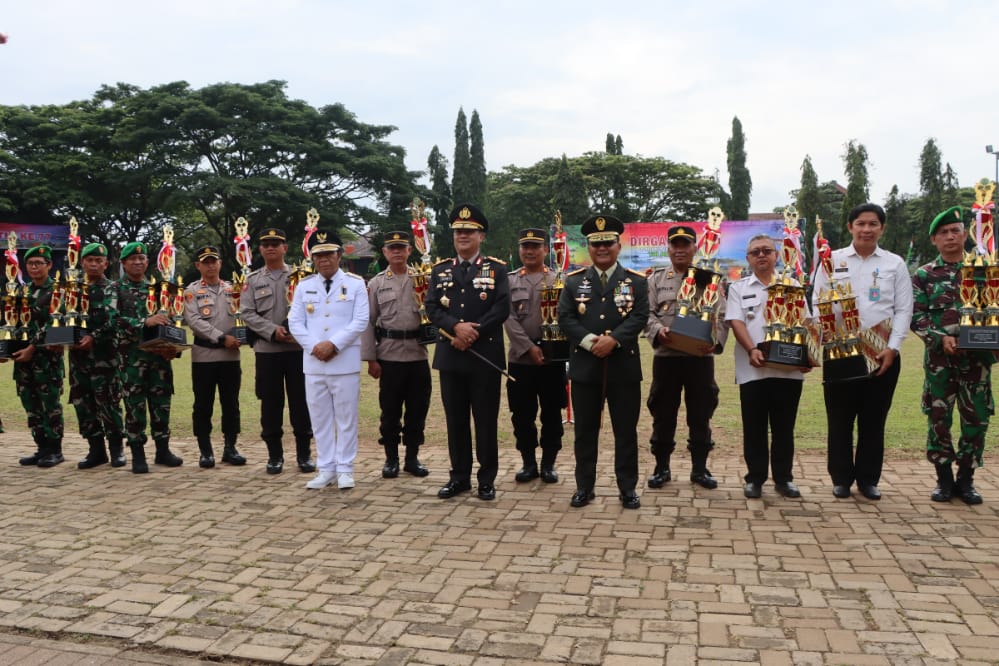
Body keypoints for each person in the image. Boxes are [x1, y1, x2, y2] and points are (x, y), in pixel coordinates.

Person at [810, 203, 913, 500]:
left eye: (873, 224)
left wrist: (892, 348)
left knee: (873, 419)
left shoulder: (895, 264)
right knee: (839, 419)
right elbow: (818, 301)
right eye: (861, 223)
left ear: (882, 228)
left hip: (882, 354)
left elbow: (904, 309)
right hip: (841, 351)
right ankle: (840, 478)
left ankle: (868, 479)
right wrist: (824, 335)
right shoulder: (832, 260)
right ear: (850, 227)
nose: (866, 229)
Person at [557, 214, 649, 509]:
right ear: (589, 248)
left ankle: (627, 488)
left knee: (625, 431)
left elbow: (639, 316)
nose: (602, 249)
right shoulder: (574, 282)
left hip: (623, 366)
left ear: (618, 246)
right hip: (586, 366)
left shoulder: (636, 282)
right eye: (596, 244)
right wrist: (589, 342)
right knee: (584, 432)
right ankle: (585, 486)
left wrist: (614, 339)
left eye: (607, 243)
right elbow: (565, 318)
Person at [425, 203, 510, 501]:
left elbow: (502, 307)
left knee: (485, 421)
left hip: (484, 356)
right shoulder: (440, 270)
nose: (463, 235)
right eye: (458, 231)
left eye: (469, 231)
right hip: (451, 356)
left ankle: (486, 479)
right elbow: (432, 308)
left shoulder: (496, 269)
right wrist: (456, 328)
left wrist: (473, 332)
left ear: (481, 236)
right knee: (455, 420)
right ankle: (459, 477)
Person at [910, 206, 989, 504]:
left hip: (976, 361)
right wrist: (940, 339)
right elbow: (916, 316)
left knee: (976, 419)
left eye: (955, 230)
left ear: (965, 234)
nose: (950, 237)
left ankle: (966, 480)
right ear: (934, 240)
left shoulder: (984, 269)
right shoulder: (924, 275)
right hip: (940, 362)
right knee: (939, 418)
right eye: (943, 233)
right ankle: (943, 480)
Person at [644, 225, 727, 490]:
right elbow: (646, 314)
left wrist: (714, 343)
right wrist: (659, 330)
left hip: (699, 358)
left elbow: (721, 315)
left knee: (700, 412)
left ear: (694, 248)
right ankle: (661, 468)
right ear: (668, 249)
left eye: (685, 245)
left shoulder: (708, 279)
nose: (680, 250)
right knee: (663, 413)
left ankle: (700, 469)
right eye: (675, 245)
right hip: (667, 357)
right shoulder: (655, 280)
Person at [725, 234, 807, 499]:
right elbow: (737, 322)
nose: (761, 255)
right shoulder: (738, 288)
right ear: (748, 259)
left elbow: (806, 323)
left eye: (766, 251)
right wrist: (752, 349)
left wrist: (807, 357)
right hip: (753, 369)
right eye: (755, 252)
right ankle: (755, 479)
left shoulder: (792, 285)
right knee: (754, 427)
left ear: (776, 255)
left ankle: (784, 479)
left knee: (785, 428)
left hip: (788, 370)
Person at [288, 230, 369, 490]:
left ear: (338, 255)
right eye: (318, 255)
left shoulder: (356, 284)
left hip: (344, 361)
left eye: (328, 254)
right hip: (314, 363)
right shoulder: (304, 286)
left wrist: (334, 344)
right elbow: (295, 322)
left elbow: (360, 321)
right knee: (319, 418)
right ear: (313, 258)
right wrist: (315, 347)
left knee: (346, 418)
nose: (324, 259)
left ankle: (345, 468)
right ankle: (326, 468)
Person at [241, 228, 315, 474]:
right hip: (267, 350)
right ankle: (275, 456)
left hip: (297, 351)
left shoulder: (302, 277)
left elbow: (313, 308)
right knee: (270, 404)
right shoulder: (252, 280)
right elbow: (247, 313)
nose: (271, 248)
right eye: (266, 244)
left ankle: (304, 455)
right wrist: (272, 330)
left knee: (301, 403)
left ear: (285, 248)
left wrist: (299, 331)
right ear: (259, 250)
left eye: (276, 243)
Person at [360, 230, 430, 479]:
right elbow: (368, 322)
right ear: (385, 253)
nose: (398, 252)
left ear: (409, 251)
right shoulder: (377, 283)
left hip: (417, 354)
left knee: (417, 411)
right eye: (393, 248)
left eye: (402, 247)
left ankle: (412, 458)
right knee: (389, 412)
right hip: (388, 356)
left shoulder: (423, 278)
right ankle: (391, 459)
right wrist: (370, 358)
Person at [503, 227, 566, 484]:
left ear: (545, 250)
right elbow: (506, 317)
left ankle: (549, 463)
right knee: (522, 414)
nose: (529, 252)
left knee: (552, 412)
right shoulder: (509, 281)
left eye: (535, 247)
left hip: (552, 359)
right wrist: (528, 347)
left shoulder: (559, 279)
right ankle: (528, 462)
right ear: (520, 249)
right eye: (525, 247)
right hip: (521, 358)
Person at [116, 241, 184, 474]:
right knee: (134, 408)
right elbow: (111, 321)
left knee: (161, 405)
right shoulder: (115, 289)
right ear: (124, 263)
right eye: (132, 259)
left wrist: (172, 347)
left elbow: (170, 320)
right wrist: (143, 322)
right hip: (131, 361)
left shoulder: (157, 289)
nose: (137, 262)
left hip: (159, 361)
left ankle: (162, 450)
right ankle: (137, 453)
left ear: (147, 262)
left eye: (142, 258)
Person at [183, 245, 245, 468]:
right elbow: (195, 322)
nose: (210, 265)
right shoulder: (191, 292)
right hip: (204, 356)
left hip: (230, 357)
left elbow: (243, 316)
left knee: (231, 404)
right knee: (203, 405)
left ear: (220, 263)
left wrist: (243, 335)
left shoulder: (233, 289)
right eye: (205, 262)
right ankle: (205, 450)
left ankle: (230, 448)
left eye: (214, 261)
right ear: (198, 266)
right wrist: (221, 338)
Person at [71, 242, 127, 469]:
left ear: (106, 263)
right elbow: (64, 316)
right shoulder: (72, 289)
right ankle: (96, 451)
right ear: (82, 262)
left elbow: (114, 320)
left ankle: (117, 450)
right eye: (89, 260)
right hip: (78, 358)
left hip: (105, 356)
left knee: (109, 403)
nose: (94, 264)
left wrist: (93, 336)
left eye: (98, 260)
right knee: (83, 403)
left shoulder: (112, 288)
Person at [8, 245, 65, 467]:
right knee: (30, 404)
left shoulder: (58, 291)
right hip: (23, 361)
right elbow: (14, 324)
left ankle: (55, 450)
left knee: (49, 405)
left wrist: (31, 348)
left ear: (49, 265)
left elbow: (54, 324)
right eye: (30, 264)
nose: (34, 267)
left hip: (46, 359)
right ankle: (41, 448)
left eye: (39, 263)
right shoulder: (23, 293)